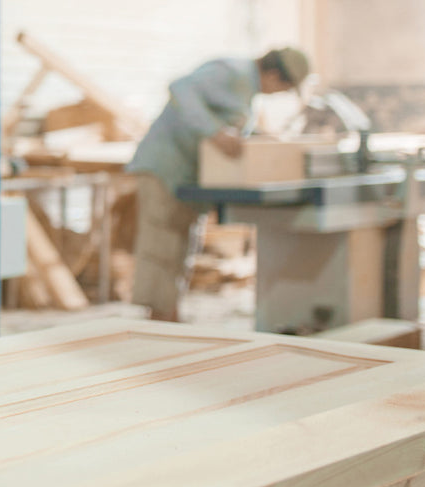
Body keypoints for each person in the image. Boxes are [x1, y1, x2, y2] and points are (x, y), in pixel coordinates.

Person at [127, 47, 310, 321]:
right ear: (273, 75)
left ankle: (167, 317)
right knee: (161, 245)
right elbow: (180, 89)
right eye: (283, 88)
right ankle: (159, 321)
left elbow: (229, 124)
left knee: (180, 247)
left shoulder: (247, 91)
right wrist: (215, 132)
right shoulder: (231, 71)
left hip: (189, 175)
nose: (278, 94)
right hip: (165, 167)